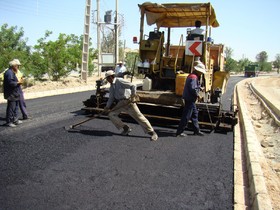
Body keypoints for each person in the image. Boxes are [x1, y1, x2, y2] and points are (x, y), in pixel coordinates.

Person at [103, 70, 158, 141]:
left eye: (107, 78)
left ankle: (152, 133)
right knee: (111, 114)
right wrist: (107, 107)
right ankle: (126, 128)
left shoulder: (119, 81)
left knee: (139, 117)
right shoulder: (111, 86)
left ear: (110, 77)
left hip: (128, 102)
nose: (107, 80)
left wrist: (132, 96)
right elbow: (111, 98)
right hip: (121, 103)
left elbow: (133, 85)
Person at [176, 61, 206, 137]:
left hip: (190, 98)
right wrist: (198, 94)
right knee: (186, 116)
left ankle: (196, 130)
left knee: (194, 114)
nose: (201, 74)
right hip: (190, 98)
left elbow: (194, 87)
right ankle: (179, 132)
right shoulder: (193, 77)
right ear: (198, 71)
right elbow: (193, 88)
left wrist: (199, 88)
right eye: (201, 72)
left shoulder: (193, 76)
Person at [3, 59, 23, 127]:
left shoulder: (12, 72)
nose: (18, 67)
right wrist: (18, 82)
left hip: (15, 93)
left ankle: (15, 120)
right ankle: (9, 122)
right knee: (11, 108)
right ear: (14, 66)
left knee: (16, 107)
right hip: (11, 94)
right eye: (17, 66)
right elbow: (10, 83)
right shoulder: (9, 73)